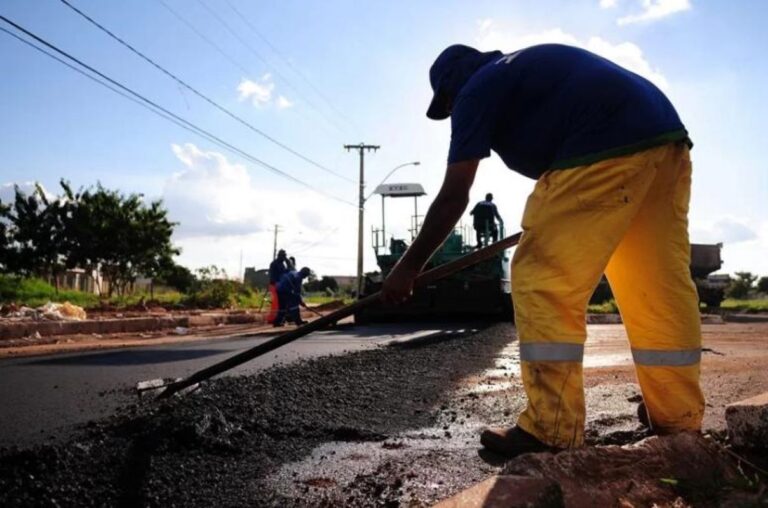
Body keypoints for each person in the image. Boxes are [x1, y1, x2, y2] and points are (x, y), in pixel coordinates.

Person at [381, 43, 704, 457]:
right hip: (664, 139)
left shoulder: (475, 89)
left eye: (447, 104)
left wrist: (407, 267)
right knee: (655, 286)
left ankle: (551, 428)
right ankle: (676, 416)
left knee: (542, 277)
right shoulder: (517, 71)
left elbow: (453, 196)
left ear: (451, 86)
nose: (451, 112)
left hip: (602, 144)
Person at [267, 250, 290, 324]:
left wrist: (288, 263)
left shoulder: (282, 264)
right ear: (280, 256)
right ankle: (275, 319)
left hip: (280, 285)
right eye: (284, 256)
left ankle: (280, 319)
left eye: (285, 256)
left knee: (282, 303)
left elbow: (286, 272)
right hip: (275, 285)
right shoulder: (275, 264)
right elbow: (277, 275)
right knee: (278, 304)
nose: (285, 257)